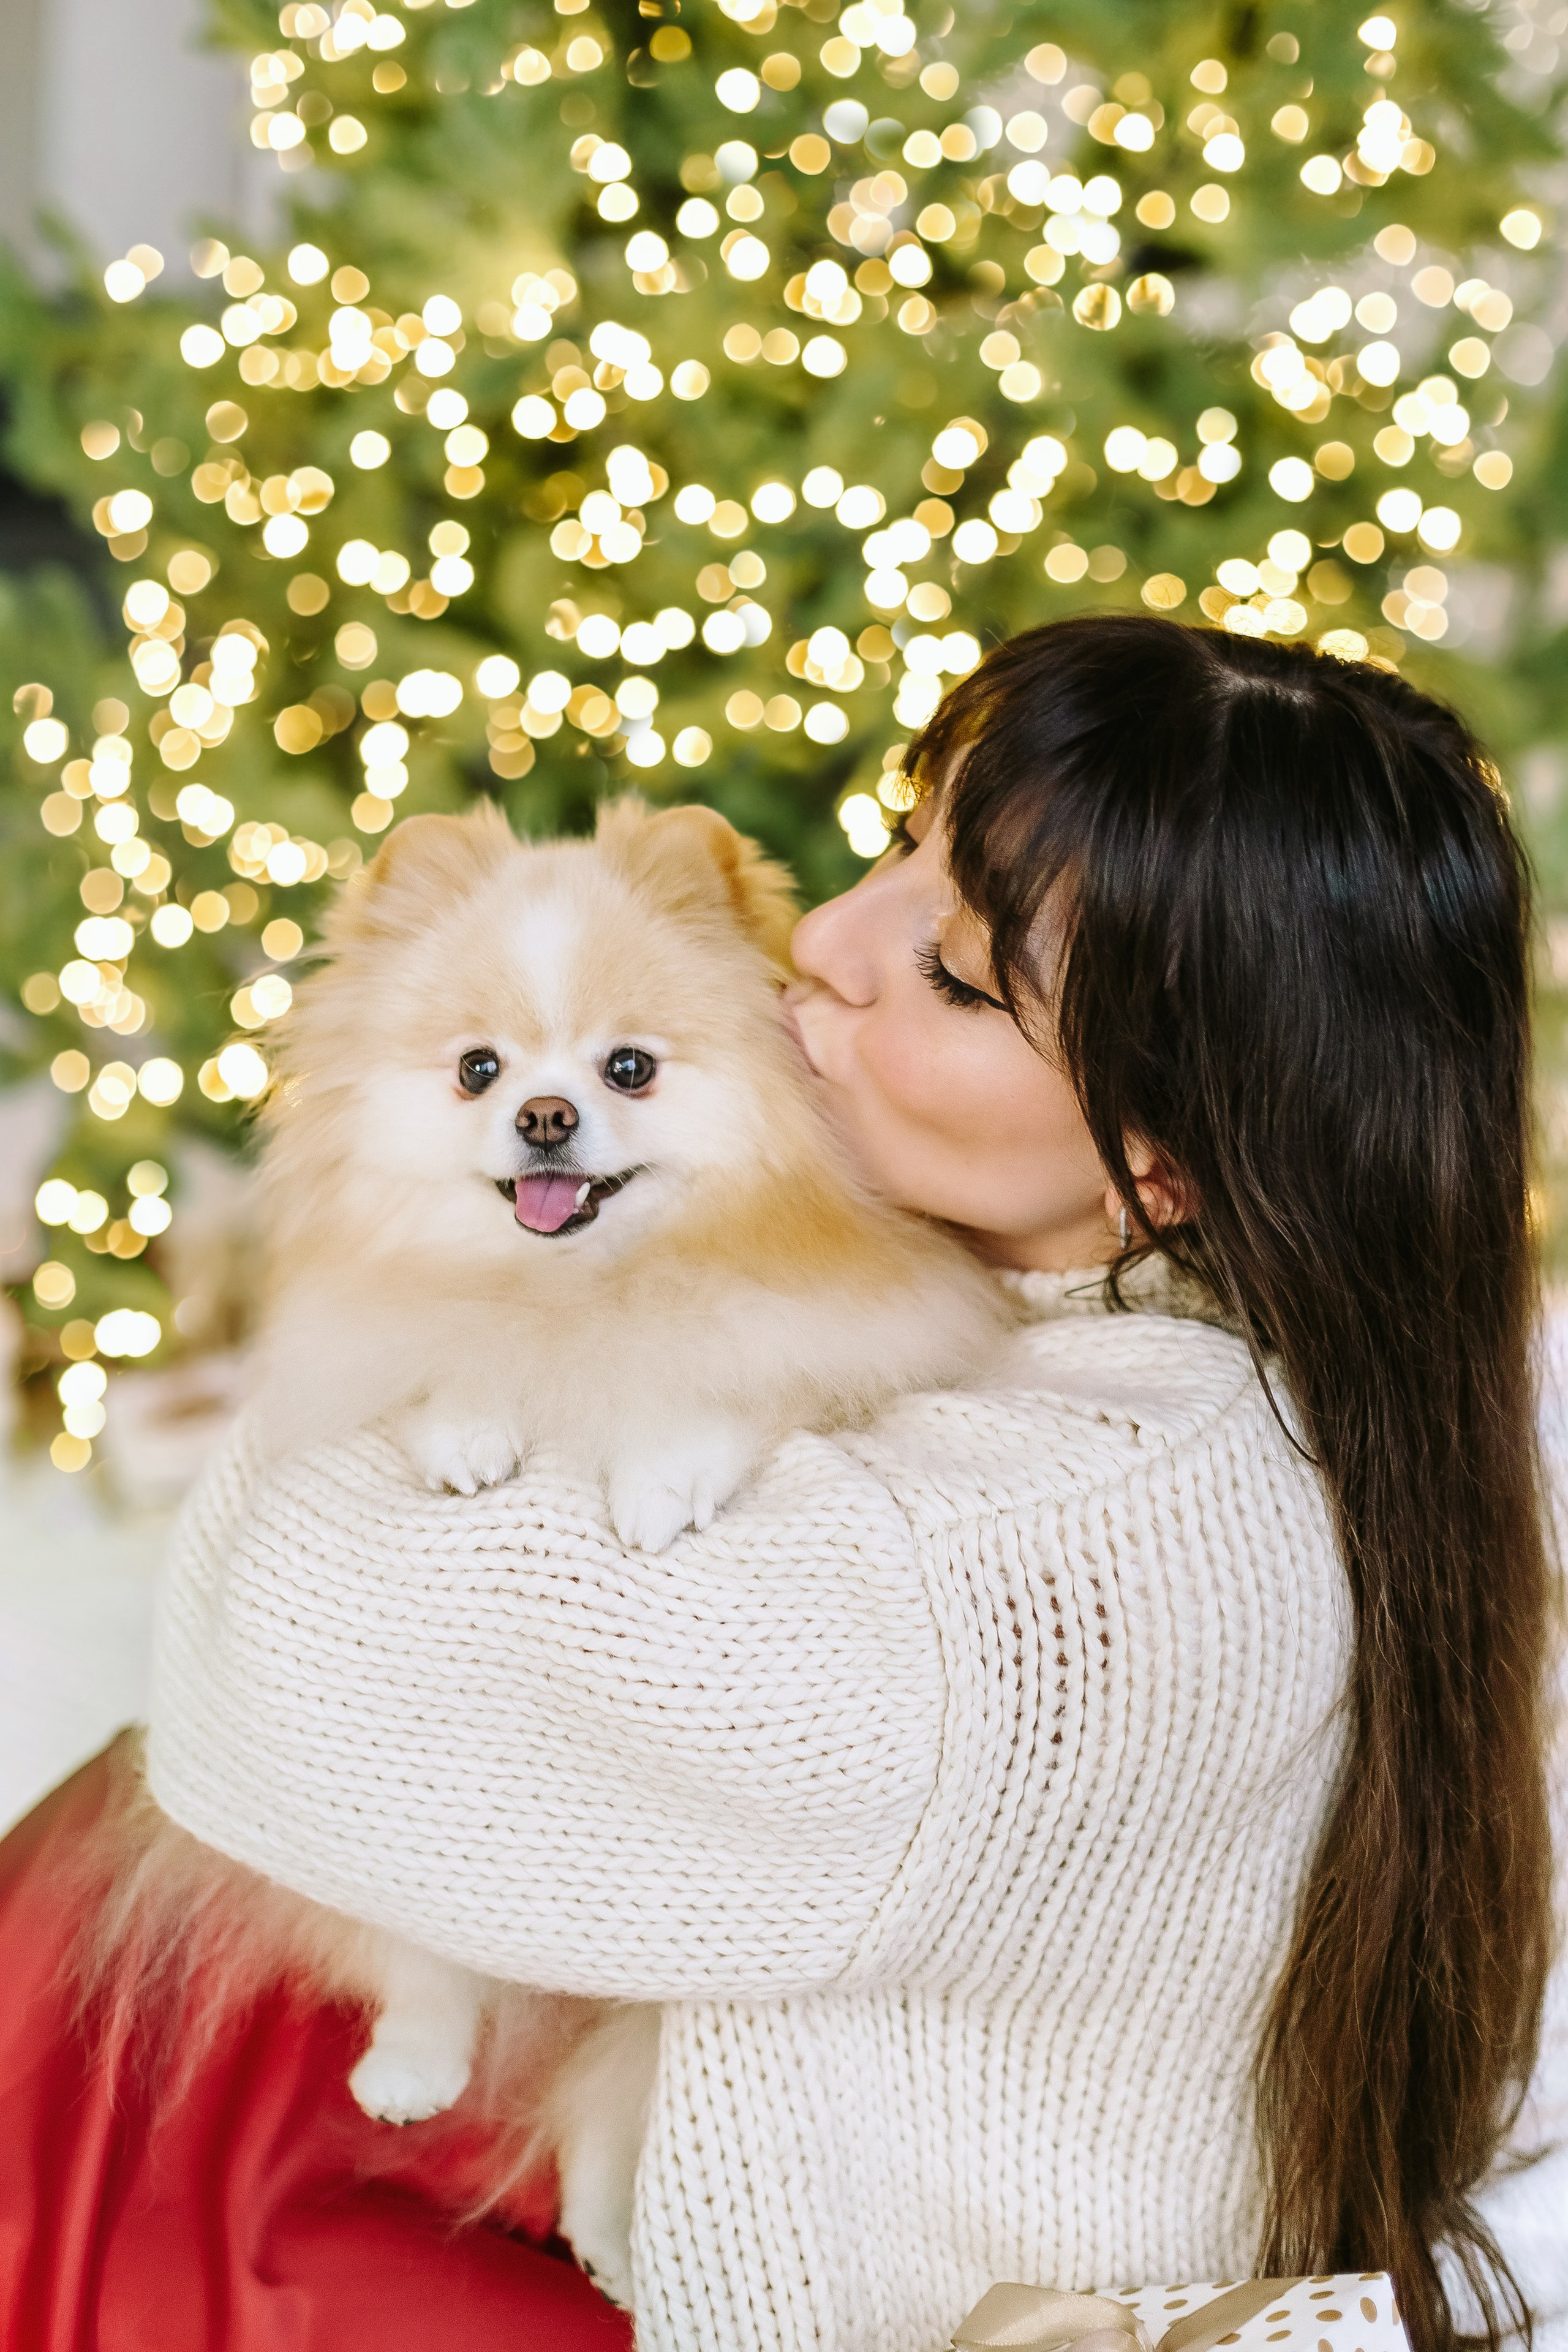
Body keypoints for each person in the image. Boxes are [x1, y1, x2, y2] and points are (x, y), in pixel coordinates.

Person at [1, 617, 1562, 2352]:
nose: (822, 935)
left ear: (1167, 1161)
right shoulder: (1293, 1356)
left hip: (744, 2296)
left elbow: (286, 1642)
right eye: (905, 841)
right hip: (615, 2154)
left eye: (960, 975)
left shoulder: (1024, 1563)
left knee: (74, 2034)